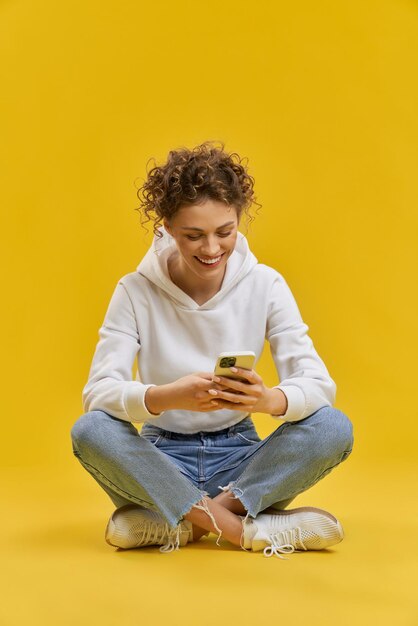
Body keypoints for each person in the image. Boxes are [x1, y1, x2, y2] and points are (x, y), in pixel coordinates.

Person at [70, 141, 354, 560]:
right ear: (166, 227)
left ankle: (182, 524)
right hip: (159, 461)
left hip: (242, 461)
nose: (211, 249)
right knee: (89, 431)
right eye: (193, 235)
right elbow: (98, 391)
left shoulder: (266, 284)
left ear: (239, 221)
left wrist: (268, 400)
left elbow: (317, 385)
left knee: (333, 427)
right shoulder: (134, 290)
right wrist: (164, 396)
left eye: (225, 232)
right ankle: (244, 532)